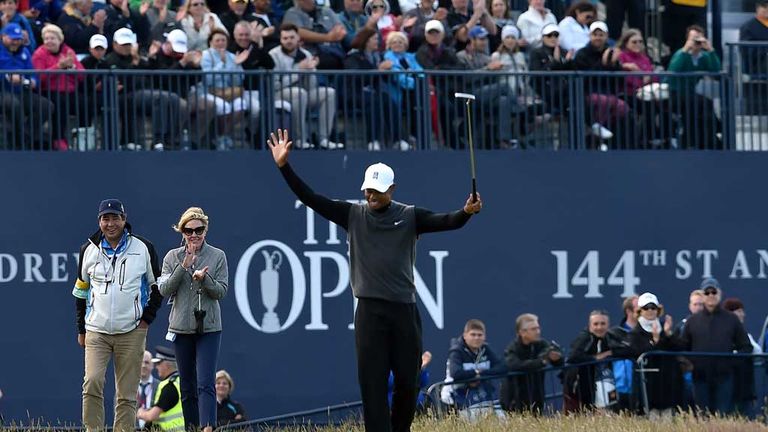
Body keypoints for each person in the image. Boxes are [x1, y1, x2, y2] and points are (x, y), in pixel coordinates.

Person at [267, 128, 482, 432]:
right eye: (367, 189)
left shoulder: (409, 215)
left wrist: (467, 212)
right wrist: (284, 166)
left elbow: (448, 221)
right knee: (373, 385)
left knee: (408, 382)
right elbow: (311, 198)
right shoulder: (353, 214)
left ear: (391, 189)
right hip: (369, 312)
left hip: (404, 311)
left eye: (377, 190)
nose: (370, 195)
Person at [72, 198, 162, 432]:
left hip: (131, 331)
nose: (110, 223)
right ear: (99, 221)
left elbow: (158, 287)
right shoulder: (88, 250)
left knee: (127, 393)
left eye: (115, 218)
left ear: (124, 219)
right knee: (92, 383)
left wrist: (145, 320)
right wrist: (81, 328)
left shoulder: (143, 248)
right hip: (96, 331)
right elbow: (81, 291)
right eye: (105, 218)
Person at [158, 207, 229, 432]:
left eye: (199, 229)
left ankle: (208, 428)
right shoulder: (172, 257)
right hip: (180, 327)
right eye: (189, 230)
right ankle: (192, 429)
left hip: (209, 327)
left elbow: (221, 291)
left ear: (205, 230)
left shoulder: (217, 255)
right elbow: (164, 289)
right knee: (187, 385)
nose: (194, 234)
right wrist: (184, 267)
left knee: (206, 382)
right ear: (182, 231)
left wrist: (205, 278)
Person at [681, 277, 752, 415]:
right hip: (700, 378)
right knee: (703, 416)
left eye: (714, 292)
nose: (711, 295)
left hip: (724, 378)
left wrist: (731, 362)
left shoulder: (731, 319)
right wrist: (689, 364)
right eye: (707, 292)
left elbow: (746, 347)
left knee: (722, 416)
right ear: (702, 295)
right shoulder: (692, 321)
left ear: (719, 293)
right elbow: (683, 347)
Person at [269, 22, 343, 150]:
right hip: (279, 94)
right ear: (280, 39)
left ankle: (323, 138)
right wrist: (299, 71)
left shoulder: (306, 54)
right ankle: (300, 139)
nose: (288, 41)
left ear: (298, 38)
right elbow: (276, 85)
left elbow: (312, 86)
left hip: (303, 93)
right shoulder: (274, 55)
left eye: (292, 38)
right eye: (285, 38)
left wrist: (310, 71)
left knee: (329, 92)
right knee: (299, 93)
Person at [664, 24, 722, 149]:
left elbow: (716, 71)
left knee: (696, 111)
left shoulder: (704, 57)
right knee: (705, 102)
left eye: (699, 38)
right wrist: (686, 50)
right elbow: (673, 71)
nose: (697, 42)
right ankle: (718, 128)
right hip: (674, 93)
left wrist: (711, 50)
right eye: (694, 39)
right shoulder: (680, 53)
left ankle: (704, 139)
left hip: (690, 95)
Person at [31, 23, 87, 151]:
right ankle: (58, 138)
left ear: (59, 40)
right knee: (60, 102)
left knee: (87, 103)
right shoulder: (39, 54)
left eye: (52, 38)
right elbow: (39, 78)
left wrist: (72, 68)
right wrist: (58, 67)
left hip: (70, 91)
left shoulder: (68, 52)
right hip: (48, 91)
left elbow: (82, 75)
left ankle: (85, 137)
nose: (49, 41)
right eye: (46, 39)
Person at [628, 292, 684, 418]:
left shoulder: (665, 328)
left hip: (667, 383)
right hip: (647, 385)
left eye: (653, 307)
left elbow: (679, 348)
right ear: (640, 311)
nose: (650, 311)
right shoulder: (635, 333)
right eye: (646, 308)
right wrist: (655, 340)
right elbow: (637, 352)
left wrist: (668, 334)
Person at [0, 22, 54, 150]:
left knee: (46, 106)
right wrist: (6, 77)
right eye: (12, 39)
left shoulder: (24, 52)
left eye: (18, 39)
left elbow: (32, 74)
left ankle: (25, 137)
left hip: (21, 91)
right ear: (3, 37)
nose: (15, 42)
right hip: (2, 91)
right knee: (14, 104)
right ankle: (18, 142)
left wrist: (33, 81)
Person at [564, 310, 631, 412]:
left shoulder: (610, 336)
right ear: (590, 325)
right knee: (577, 417)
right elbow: (572, 357)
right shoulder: (584, 338)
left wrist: (610, 353)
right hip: (576, 387)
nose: (599, 327)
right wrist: (595, 358)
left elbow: (626, 349)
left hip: (599, 383)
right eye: (596, 324)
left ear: (608, 325)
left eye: (603, 324)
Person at [444, 319, 506, 421]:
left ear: (484, 336)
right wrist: (476, 373)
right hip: (457, 396)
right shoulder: (457, 351)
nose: (476, 338)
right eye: (473, 334)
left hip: (483, 395)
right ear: (465, 335)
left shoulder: (485, 349)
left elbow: (502, 368)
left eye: (480, 335)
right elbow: (456, 373)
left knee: (502, 422)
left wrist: (481, 374)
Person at [501, 313, 563, 414]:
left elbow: (558, 361)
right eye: (534, 329)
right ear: (522, 332)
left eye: (538, 328)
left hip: (537, 396)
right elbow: (514, 365)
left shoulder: (541, 344)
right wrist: (541, 362)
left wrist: (556, 358)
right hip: (515, 399)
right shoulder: (512, 348)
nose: (538, 332)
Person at [200, 28, 248, 150]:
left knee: (241, 105)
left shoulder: (232, 57)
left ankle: (222, 135)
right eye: (217, 40)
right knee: (224, 107)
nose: (220, 43)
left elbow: (238, 81)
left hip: (229, 92)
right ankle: (219, 137)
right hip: (209, 91)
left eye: (223, 40)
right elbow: (207, 79)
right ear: (210, 42)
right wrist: (221, 64)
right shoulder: (205, 56)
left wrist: (236, 65)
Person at [722, 297, 761, 417]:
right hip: (728, 388)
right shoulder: (723, 335)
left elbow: (757, 352)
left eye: (742, 311)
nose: (743, 314)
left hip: (744, 388)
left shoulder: (746, 335)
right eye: (739, 311)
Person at [282, 0, 347, 69]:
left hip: (334, 52)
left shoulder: (327, 11)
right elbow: (298, 32)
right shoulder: (292, 13)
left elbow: (342, 30)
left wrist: (333, 36)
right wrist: (328, 37)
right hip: (309, 55)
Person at [136, 346, 184, 432]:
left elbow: (152, 416)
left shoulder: (169, 386)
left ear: (166, 364)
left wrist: (141, 413)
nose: (156, 367)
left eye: (158, 363)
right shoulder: (179, 382)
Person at [608, 295, 637, 412]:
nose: (644, 311)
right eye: (639, 308)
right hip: (620, 386)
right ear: (628, 311)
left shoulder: (649, 331)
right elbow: (614, 351)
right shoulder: (614, 333)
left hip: (642, 385)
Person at [136, 350, 158, 430]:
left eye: (147, 362)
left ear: (152, 365)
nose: (143, 366)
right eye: (141, 362)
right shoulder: (127, 387)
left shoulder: (160, 386)